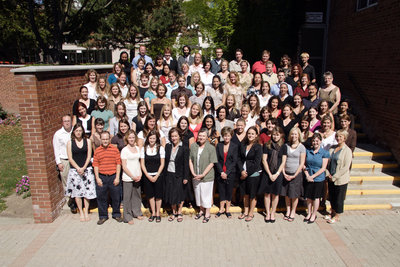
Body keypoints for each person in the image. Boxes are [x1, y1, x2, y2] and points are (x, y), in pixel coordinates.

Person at [65, 123, 96, 222]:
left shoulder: (87, 141)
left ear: (82, 131)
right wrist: (78, 168)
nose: (78, 132)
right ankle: (81, 212)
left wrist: (84, 167)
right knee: (77, 192)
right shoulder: (70, 143)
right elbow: (70, 158)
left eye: (80, 130)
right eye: (76, 131)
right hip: (75, 171)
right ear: (74, 132)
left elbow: (89, 156)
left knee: (87, 192)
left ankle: (86, 210)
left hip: (86, 169)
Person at [93, 131, 122, 225]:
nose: (105, 141)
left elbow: (118, 163)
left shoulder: (114, 150)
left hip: (113, 176)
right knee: (101, 197)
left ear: (109, 139)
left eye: (107, 139)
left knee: (116, 197)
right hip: (102, 176)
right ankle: (103, 216)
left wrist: (117, 177)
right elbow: (96, 165)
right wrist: (97, 178)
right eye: (103, 139)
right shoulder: (97, 151)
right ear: (100, 140)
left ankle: (116, 214)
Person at [190, 129, 218, 223]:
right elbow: (190, 160)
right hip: (195, 175)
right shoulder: (194, 146)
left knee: (206, 195)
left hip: (207, 176)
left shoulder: (211, 148)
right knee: (198, 194)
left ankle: (207, 213)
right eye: (200, 135)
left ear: (207, 137)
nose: (201, 137)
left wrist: (203, 174)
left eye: (203, 136)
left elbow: (212, 163)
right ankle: (201, 210)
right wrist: (193, 172)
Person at [326, 129, 352, 224]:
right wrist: (328, 173)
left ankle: (337, 215)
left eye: (340, 136)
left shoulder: (347, 151)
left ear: (344, 138)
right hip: (330, 176)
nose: (338, 138)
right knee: (332, 196)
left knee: (339, 198)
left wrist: (335, 176)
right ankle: (332, 212)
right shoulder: (333, 148)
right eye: (337, 136)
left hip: (340, 179)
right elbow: (328, 162)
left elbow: (346, 167)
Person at [260, 127, 286, 223]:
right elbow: (264, 160)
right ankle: (267, 212)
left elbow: (283, 161)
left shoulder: (283, 146)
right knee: (267, 194)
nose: (275, 136)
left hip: (277, 173)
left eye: (277, 134)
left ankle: (273, 213)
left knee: (275, 194)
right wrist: (270, 174)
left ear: (281, 135)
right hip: (268, 173)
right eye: (274, 134)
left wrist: (277, 174)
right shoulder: (267, 145)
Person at [164, 128, 190, 222]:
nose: (174, 138)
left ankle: (179, 212)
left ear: (179, 136)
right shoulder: (167, 146)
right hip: (169, 173)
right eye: (172, 136)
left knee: (179, 193)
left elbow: (186, 163)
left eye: (175, 136)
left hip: (179, 174)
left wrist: (186, 176)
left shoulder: (184, 147)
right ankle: (173, 212)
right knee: (171, 193)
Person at [303, 133, 330, 224]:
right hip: (308, 176)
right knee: (309, 197)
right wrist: (307, 175)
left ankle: (314, 214)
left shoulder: (324, 153)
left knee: (316, 197)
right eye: (313, 141)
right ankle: (309, 212)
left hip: (318, 178)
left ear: (320, 141)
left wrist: (312, 177)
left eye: (317, 141)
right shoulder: (308, 151)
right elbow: (304, 164)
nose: (315, 142)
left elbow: (323, 168)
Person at [238, 126, 262, 222]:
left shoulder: (258, 147)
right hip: (243, 173)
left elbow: (257, 163)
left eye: (252, 134)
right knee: (245, 194)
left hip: (253, 174)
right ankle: (245, 211)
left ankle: (251, 213)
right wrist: (241, 171)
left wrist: (246, 173)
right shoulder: (243, 145)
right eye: (249, 133)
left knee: (252, 194)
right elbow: (239, 159)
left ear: (256, 135)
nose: (250, 135)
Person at [281, 127, 306, 222]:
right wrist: (283, 172)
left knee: (294, 194)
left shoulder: (301, 147)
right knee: (287, 194)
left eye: (296, 134)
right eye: (292, 134)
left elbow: (302, 163)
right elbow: (283, 160)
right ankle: (287, 210)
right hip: (286, 173)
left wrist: (295, 175)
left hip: (296, 174)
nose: (294, 136)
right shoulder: (286, 145)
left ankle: (293, 211)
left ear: (299, 135)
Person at [140, 130, 165, 223]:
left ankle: (158, 213)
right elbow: (142, 164)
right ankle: (153, 213)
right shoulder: (144, 148)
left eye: (154, 138)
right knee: (150, 195)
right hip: (147, 176)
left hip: (158, 175)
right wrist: (147, 175)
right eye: (150, 138)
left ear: (156, 139)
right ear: (147, 139)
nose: (152, 140)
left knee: (158, 195)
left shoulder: (160, 148)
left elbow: (162, 164)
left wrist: (157, 175)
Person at [53, 115, 76, 213]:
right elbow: (56, 149)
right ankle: (70, 202)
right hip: (64, 160)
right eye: (65, 121)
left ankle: (77, 200)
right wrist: (58, 162)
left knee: (76, 181)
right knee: (66, 181)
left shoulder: (75, 131)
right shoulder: (58, 134)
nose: (67, 123)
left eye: (68, 121)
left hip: (75, 160)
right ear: (62, 123)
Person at [121, 130, 144, 224]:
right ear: (127, 138)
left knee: (137, 196)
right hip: (128, 177)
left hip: (137, 176)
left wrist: (140, 174)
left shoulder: (138, 148)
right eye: (129, 137)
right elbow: (124, 166)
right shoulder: (124, 150)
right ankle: (127, 216)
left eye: (133, 137)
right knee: (127, 197)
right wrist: (132, 176)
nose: (131, 139)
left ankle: (137, 212)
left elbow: (140, 162)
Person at [215, 127, 238, 219]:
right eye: (225, 136)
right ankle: (221, 209)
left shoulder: (234, 146)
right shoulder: (219, 145)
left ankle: (227, 210)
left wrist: (227, 173)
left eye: (228, 136)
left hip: (230, 173)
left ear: (231, 136)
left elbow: (234, 161)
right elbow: (216, 159)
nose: (226, 138)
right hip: (220, 172)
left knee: (229, 191)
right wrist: (221, 172)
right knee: (221, 190)